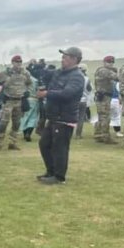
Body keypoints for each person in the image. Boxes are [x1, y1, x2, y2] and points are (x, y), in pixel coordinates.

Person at [36, 47, 84, 185]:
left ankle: (59, 176)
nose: (62, 59)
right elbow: (45, 76)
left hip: (64, 117)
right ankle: (50, 171)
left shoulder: (77, 76)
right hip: (53, 116)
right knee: (44, 144)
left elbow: (67, 94)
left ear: (74, 59)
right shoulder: (59, 73)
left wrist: (47, 94)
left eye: (65, 57)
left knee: (60, 148)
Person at [0, 54, 33, 150]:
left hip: (19, 101)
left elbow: (29, 83)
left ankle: (12, 142)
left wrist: (25, 91)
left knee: (17, 123)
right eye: (16, 62)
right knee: (3, 123)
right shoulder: (6, 73)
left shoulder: (25, 73)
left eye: (20, 62)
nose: (18, 64)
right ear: (12, 63)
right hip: (8, 101)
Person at [93, 56, 118, 144]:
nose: (111, 64)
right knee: (105, 117)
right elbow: (117, 77)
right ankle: (106, 137)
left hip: (102, 96)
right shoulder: (104, 71)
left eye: (112, 62)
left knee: (102, 117)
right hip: (104, 97)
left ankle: (98, 135)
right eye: (109, 62)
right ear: (104, 62)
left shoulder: (102, 70)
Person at [75, 63, 92, 139]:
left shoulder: (73, 78)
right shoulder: (87, 79)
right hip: (83, 100)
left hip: (73, 100)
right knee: (81, 118)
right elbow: (89, 89)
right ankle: (78, 134)